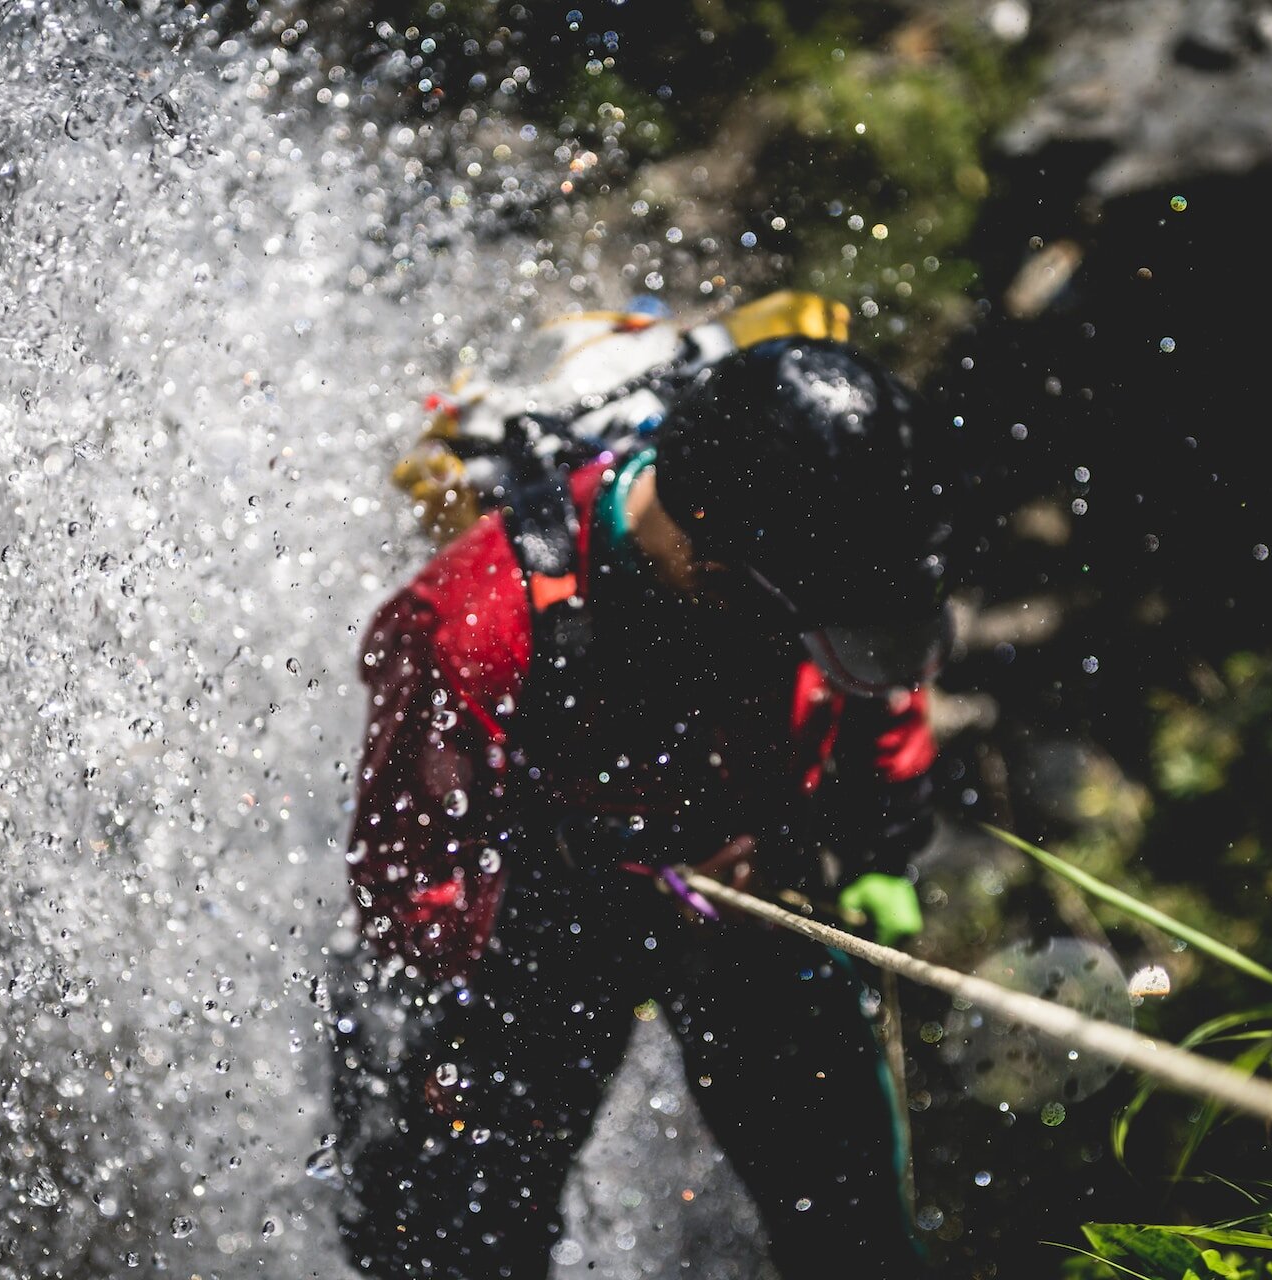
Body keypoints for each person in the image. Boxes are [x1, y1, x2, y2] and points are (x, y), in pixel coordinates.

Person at [333, 338, 963, 1279]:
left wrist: (879, 847)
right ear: (706, 550)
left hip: (750, 902)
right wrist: (604, 894)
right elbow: (408, 883)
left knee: (855, 1237)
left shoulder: (815, 566)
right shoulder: (473, 623)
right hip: (536, 948)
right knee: (460, 1250)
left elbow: (879, 691)